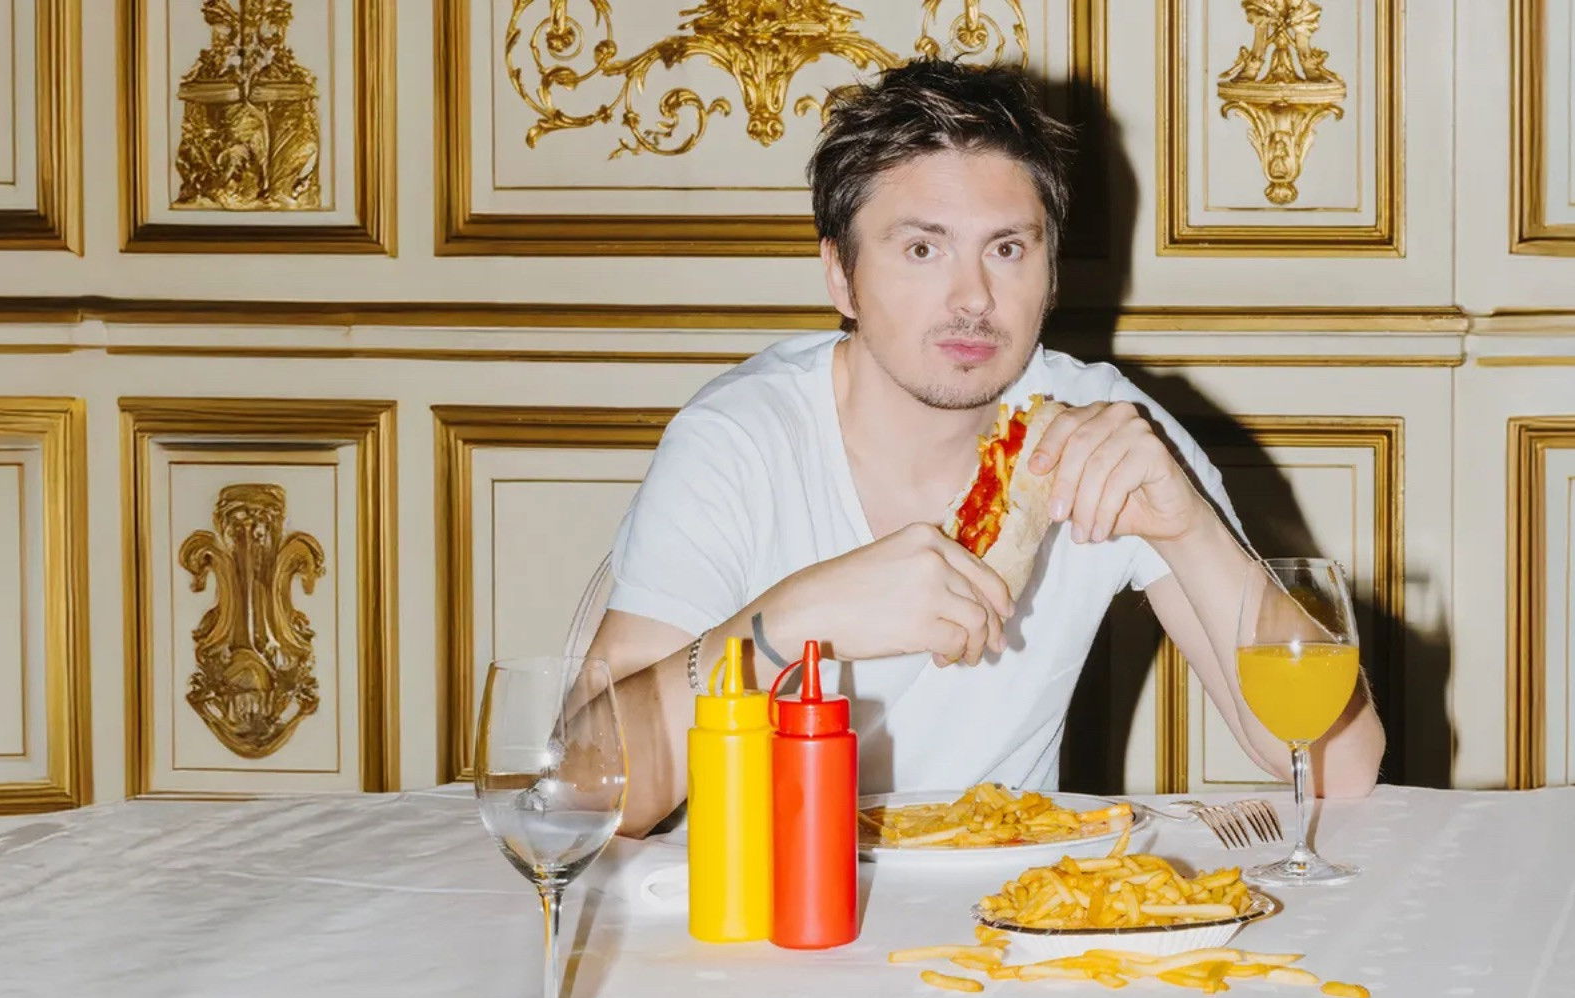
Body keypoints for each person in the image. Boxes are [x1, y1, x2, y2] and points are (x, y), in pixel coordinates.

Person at [588, 60, 1384, 836]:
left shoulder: (1103, 430)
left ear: (1050, 272)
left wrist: (1192, 530)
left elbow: (1338, 767)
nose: (973, 298)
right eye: (922, 249)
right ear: (840, 276)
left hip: (1009, 905)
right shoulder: (740, 440)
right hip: (768, 902)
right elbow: (592, 788)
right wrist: (784, 626)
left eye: (1007, 249)